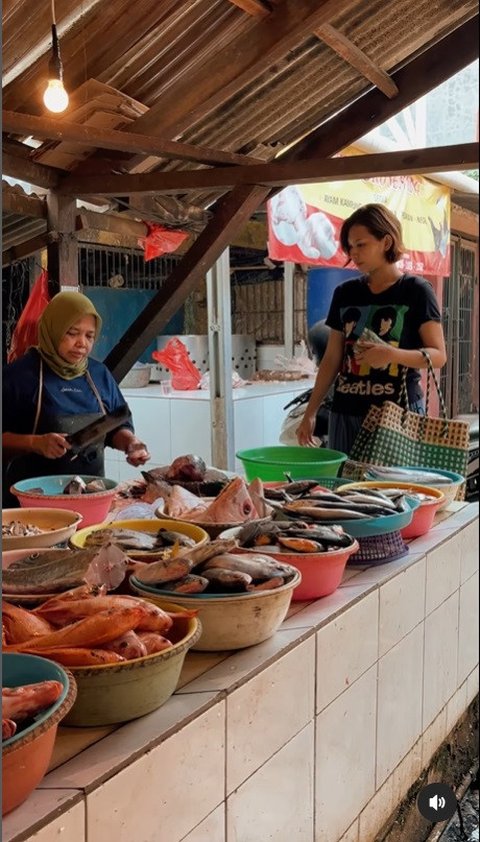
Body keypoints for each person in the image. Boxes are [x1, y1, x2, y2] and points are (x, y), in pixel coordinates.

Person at [296, 203, 447, 455]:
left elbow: (438, 355)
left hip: (397, 414)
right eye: (350, 247)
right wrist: (311, 412)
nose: (354, 253)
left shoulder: (416, 291)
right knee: (345, 491)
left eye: (361, 244)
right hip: (345, 412)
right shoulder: (345, 293)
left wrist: (391, 355)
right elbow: (333, 358)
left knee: (392, 493)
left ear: (386, 242)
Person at [2, 291, 150, 504]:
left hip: (90, 498)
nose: (82, 343)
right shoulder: (18, 377)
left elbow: (116, 425)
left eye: (89, 336)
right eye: (72, 333)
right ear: (53, 329)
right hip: (30, 505)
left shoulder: (99, 375)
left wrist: (131, 443)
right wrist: (35, 443)